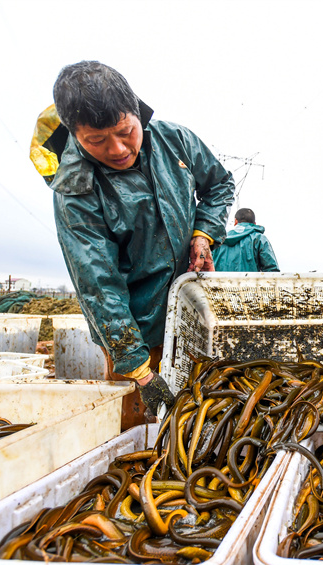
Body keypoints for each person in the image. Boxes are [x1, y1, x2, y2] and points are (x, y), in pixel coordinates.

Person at [29, 61, 234, 427]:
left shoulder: (175, 141)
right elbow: (98, 284)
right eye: (97, 140)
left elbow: (219, 184)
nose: (119, 148)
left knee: (201, 415)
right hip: (134, 331)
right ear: (75, 134)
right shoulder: (76, 190)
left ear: (137, 113)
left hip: (193, 314)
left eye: (126, 131)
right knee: (138, 427)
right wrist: (139, 371)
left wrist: (203, 234)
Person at [212, 208, 280, 272]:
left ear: (235, 221)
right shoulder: (259, 238)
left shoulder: (218, 240)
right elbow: (271, 270)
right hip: (249, 284)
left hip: (220, 284)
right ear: (254, 224)